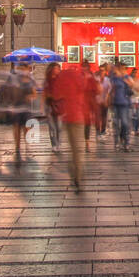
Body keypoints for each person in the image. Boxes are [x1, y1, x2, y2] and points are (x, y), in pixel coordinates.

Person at [54, 64, 89, 192]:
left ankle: (74, 173)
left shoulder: (62, 78)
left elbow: (56, 96)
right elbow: (85, 90)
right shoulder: (79, 78)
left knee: (72, 148)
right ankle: (78, 176)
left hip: (67, 117)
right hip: (78, 116)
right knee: (79, 150)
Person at [109, 62, 135, 151]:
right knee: (116, 124)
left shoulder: (126, 77)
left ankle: (125, 141)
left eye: (124, 69)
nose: (123, 70)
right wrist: (109, 100)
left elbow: (132, 85)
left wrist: (124, 78)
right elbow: (111, 89)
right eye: (121, 68)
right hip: (116, 103)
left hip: (125, 104)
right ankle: (117, 143)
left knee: (125, 123)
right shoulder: (114, 78)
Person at [43, 62, 62, 152]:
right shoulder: (47, 80)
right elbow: (44, 93)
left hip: (58, 105)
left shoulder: (60, 79)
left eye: (58, 68)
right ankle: (54, 144)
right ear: (51, 70)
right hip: (49, 105)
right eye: (56, 68)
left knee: (59, 126)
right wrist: (42, 106)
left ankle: (58, 143)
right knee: (52, 127)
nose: (58, 70)